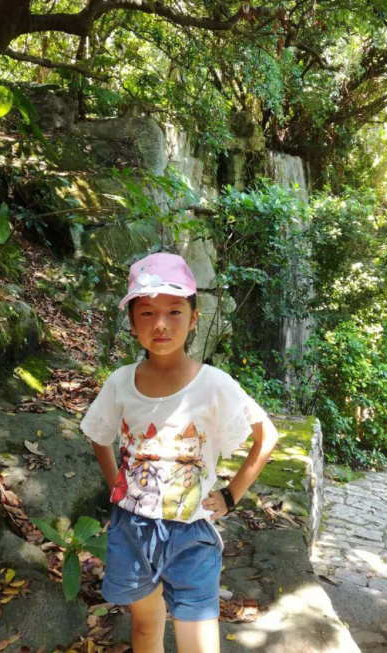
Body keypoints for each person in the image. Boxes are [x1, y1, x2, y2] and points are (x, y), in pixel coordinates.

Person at [81, 252, 279, 653]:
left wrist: (230, 495)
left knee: (199, 642)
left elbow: (267, 436)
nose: (160, 324)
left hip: (191, 535)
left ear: (194, 315)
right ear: (132, 320)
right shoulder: (121, 383)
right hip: (132, 530)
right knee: (143, 629)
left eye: (174, 311)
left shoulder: (214, 385)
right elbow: (99, 434)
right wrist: (116, 487)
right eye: (147, 312)